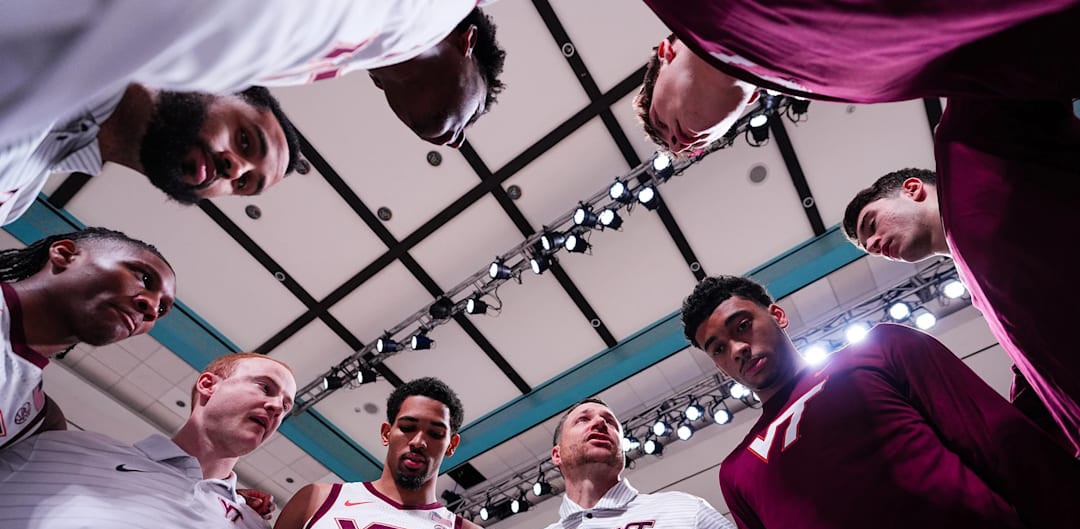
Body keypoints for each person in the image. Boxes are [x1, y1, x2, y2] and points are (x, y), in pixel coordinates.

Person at [680, 275, 1080, 529]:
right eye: (718, 348)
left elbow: (1000, 442)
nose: (738, 349)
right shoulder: (737, 470)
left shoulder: (879, 350)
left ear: (778, 315)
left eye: (742, 325)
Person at [841, 101, 1080, 458]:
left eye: (871, 225)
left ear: (912, 188)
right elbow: (1038, 369)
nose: (874, 245)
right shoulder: (979, 289)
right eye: (869, 249)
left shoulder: (966, 152)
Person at [0, 352, 297, 529]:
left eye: (285, 406)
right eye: (265, 387)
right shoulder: (64, 447)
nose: (275, 408)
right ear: (208, 385)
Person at [1, 1, 507, 150]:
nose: (459, 141)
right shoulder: (435, 11)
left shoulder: (339, 58)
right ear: (467, 42)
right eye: (476, 112)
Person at [633, 1, 1079, 152]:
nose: (679, 146)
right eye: (690, 148)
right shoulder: (825, 83)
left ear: (668, 51)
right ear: (750, 105)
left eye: (658, 121)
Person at [223, 377, 494, 529]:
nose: (418, 442)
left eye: (435, 433)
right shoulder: (318, 499)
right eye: (408, 428)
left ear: (451, 445)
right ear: (387, 433)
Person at [510, 398, 786, 529]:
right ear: (556, 455)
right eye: (582, 419)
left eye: (610, 422)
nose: (599, 423)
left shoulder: (683, 512)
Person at [0, 84, 304, 226]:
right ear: (219, 84)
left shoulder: (15, 203)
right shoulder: (48, 61)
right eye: (244, 140)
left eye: (243, 184)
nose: (234, 170)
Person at [0, 227, 175, 448]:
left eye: (161, 310)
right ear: (64, 255)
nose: (152, 307)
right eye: (145, 278)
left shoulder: (41, 423)